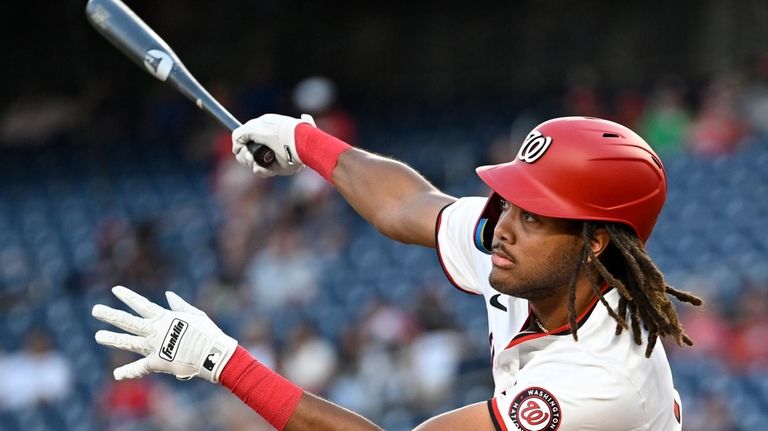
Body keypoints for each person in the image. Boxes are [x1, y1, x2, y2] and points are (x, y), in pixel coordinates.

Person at [93, 115, 702, 430]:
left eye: (536, 213)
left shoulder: (601, 377)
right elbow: (407, 206)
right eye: (511, 201)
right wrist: (305, 143)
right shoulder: (531, 255)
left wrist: (224, 361)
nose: (505, 225)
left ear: (596, 242)